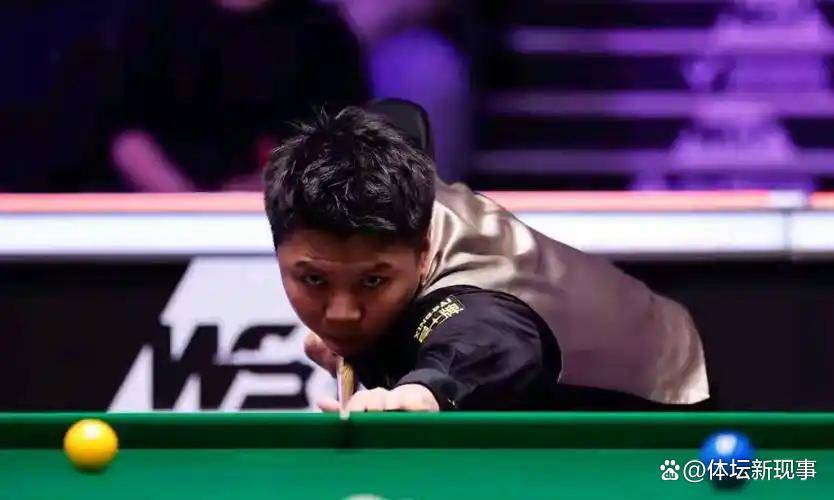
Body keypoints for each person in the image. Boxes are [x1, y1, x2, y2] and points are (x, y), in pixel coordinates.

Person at [262, 104, 710, 412]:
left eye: (372, 282)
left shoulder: (473, 298)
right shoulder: (384, 179)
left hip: (662, 401)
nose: (341, 314)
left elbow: (488, 342)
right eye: (315, 280)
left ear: (424, 251)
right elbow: (398, 118)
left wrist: (421, 392)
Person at [111, 0, 368, 192]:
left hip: (288, 221)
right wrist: (188, 204)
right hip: (161, 218)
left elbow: (344, 144)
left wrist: (263, 190)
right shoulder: (154, 22)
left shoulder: (323, 34)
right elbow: (123, 132)